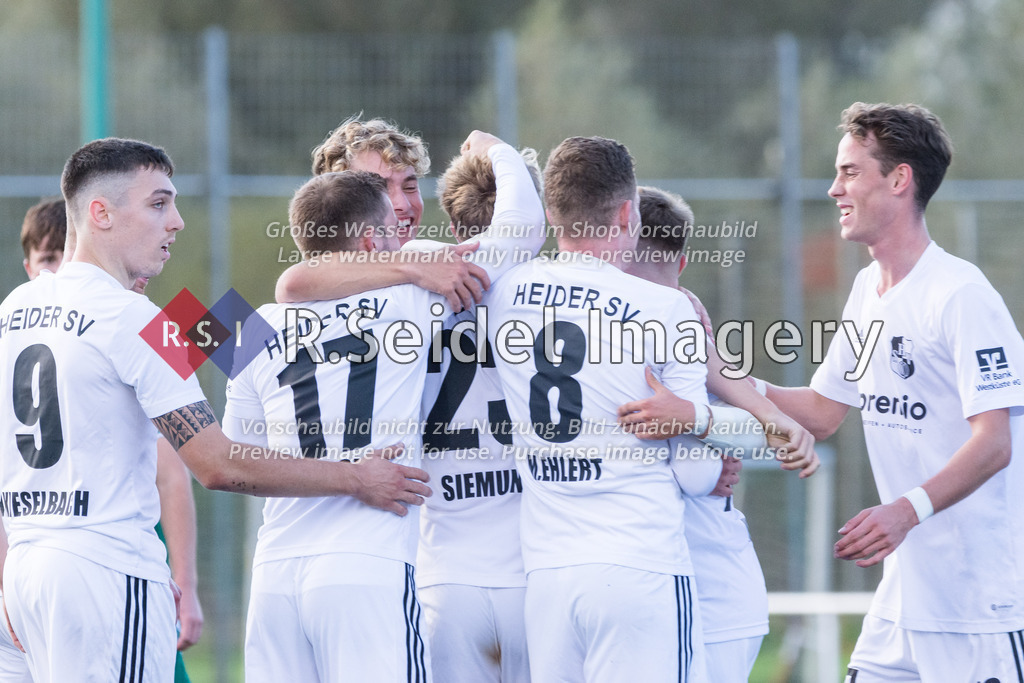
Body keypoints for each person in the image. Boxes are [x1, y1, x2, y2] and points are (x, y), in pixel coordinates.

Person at [0, 138, 429, 681]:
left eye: (408, 186)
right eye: (159, 204)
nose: (176, 222)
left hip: (25, 570)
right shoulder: (140, 320)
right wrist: (357, 478)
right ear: (100, 213)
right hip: (103, 571)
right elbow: (216, 462)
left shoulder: (18, 304)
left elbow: (232, 334)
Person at [276, 129, 546, 682]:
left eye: (409, 184)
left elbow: (279, 293)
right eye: (379, 186)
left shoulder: (430, 269)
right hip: (390, 561)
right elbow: (291, 285)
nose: (400, 203)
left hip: (305, 568)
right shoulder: (423, 274)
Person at [766, 102, 1024, 681]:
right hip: (902, 601)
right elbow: (823, 411)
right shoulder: (866, 290)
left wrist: (906, 512)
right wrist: (717, 375)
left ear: (900, 179)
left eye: (851, 171)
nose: (834, 188)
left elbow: (995, 443)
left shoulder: (961, 295)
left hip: (976, 607)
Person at [482, 135, 712, 682]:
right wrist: (697, 420)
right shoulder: (667, 306)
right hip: (640, 565)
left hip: (548, 577)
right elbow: (699, 474)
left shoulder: (504, 289)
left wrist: (499, 152)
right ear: (629, 212)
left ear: (554, 214)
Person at [224, 169, 462, 682]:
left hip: (275, 574)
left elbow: (237, 463)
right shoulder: (412, 300)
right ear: (373, 240)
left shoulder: (250, 327)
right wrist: (497, 153)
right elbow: (522, 227)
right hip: (366, 566)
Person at [14, 195, 204, 682]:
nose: (58, 269)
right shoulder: (123, 320)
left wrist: (186, 580)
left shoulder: (149, 323)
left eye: (64, 254)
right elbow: (220, 463)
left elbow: (253, 336)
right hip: (96, 568)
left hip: (69, 565)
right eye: (47, 260)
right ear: (28, 264)